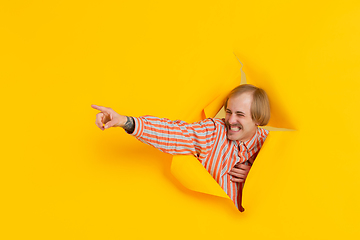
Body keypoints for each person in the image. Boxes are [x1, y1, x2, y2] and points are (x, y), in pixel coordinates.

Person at [91, 84, 270, 211]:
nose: (231, 120)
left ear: (258, 119)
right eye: (229, 112)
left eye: (240, 114)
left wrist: (257, 176)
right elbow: (174, 133)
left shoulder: (270, 144)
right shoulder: (214, 132)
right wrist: (126, 122)